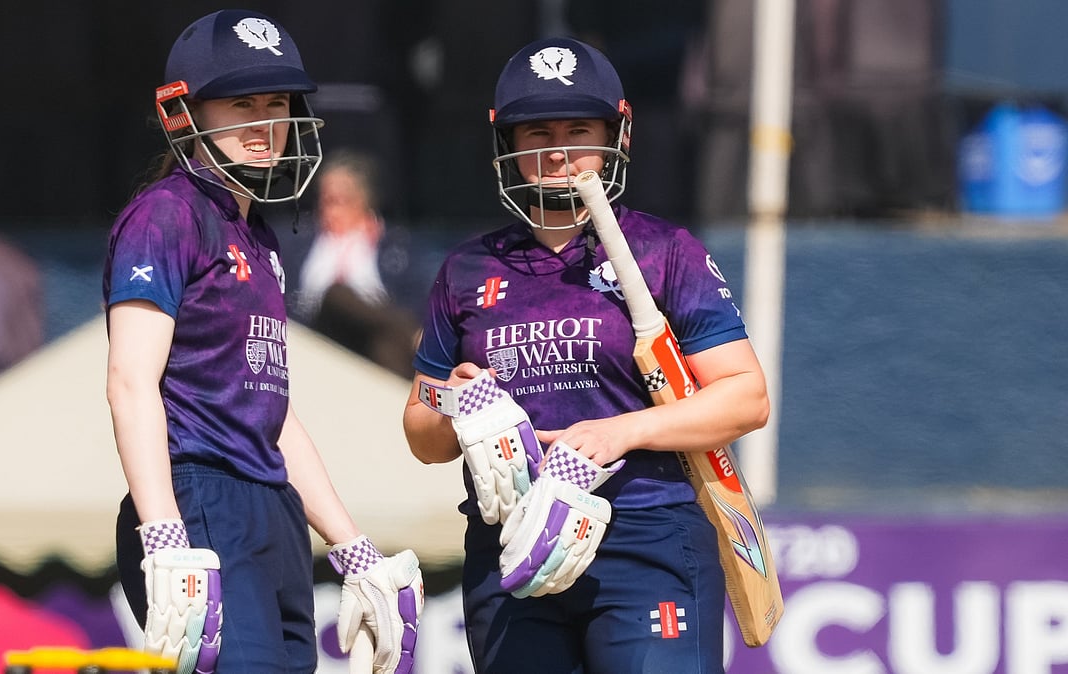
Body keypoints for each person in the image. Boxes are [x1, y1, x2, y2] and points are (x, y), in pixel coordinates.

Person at [401, 37, 769, 673]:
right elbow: (421, 432)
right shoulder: (467, 269)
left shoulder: (664, 251)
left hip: (645, 534)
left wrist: (619, 432)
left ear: (615, 135)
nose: (558, 150)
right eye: (537, 132)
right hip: (513, 545)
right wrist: (459, 405)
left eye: (578, 131)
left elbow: (746, 397)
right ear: (507, 143)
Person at [104, 10, 421, 673]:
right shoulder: (166, 214)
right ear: (186, 113)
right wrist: (162, 533)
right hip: (200, 493)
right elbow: (130, 382)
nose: (264, 122)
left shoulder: (260, 238)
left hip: (272, 507)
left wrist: (352, 546)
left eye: (275, 103)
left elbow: (272, 416)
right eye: (241, 104)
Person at [296, 150, 420, 378]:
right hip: (317, 333)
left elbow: (413, 297)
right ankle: (411, 333)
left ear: (364, 200)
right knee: (337, 292)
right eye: (324, 200)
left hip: (373, 337)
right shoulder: (300, 240)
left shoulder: (395, 246)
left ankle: (401, 396)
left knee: (384, 343)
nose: (327, 209)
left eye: (339, 201)